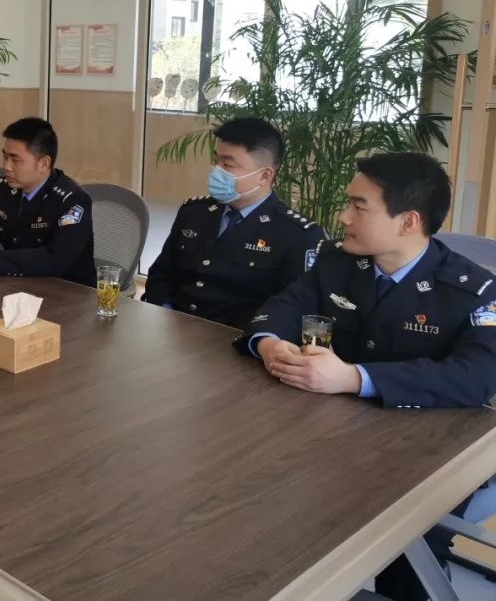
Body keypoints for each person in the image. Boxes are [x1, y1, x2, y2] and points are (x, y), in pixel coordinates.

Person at [234, 151, 496, 599]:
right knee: (264, 516)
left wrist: (354, 378)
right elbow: (281, 308)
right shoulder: (337, 262)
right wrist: (269, 343)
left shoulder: (473, 291)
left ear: (408, 221)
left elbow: (477, 377)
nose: (343, 217)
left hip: (430, 454)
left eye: (359, 207)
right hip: (332, 437)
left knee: (404, 561)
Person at [143, 117, 326, 329]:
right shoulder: (194, 212)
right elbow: (161, 275)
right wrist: (165, 314)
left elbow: (291, 310)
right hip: (173, 329)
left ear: (264, 176)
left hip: (238, 341)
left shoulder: (297, 235)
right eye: (216, 161)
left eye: (227, 164)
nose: (216, 170)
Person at [0, 117, 95, 287]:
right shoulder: (5, 188)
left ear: (43, 164)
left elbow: (54, 260)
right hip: (17, 285)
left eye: (15, 160)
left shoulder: (72, 200)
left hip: (67, 293)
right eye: (5, 157)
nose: (6, 166)